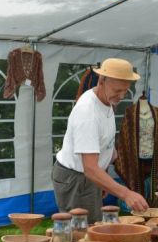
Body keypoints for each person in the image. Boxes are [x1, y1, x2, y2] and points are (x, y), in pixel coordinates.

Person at [52, 58, 148, 223]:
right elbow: (89, 168)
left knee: (93, 228)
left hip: (88, 175)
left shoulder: (105, 100)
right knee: (83, 236)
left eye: (125, 90)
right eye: (117, 90)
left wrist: (102, 179)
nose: (122, 96)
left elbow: (103, 144)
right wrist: (126, 193)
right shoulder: (88, 113)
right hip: (76, 178)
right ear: (102, 80)